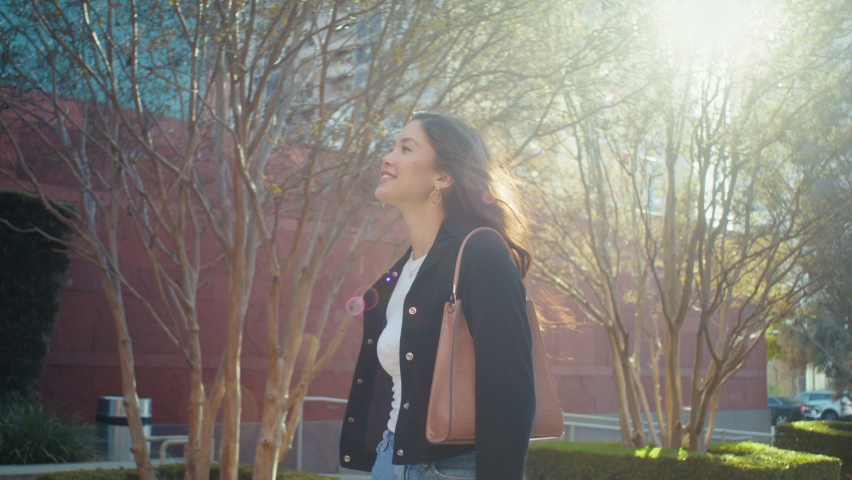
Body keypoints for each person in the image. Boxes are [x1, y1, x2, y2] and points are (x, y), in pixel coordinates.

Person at [339, 112, 536, 480]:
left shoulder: (481, 253)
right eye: (392, 147)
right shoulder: (402, 271)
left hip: (450, 470)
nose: (388, 157)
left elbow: (511, 391)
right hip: (390, 460)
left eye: (405, 148)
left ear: (443, 176)